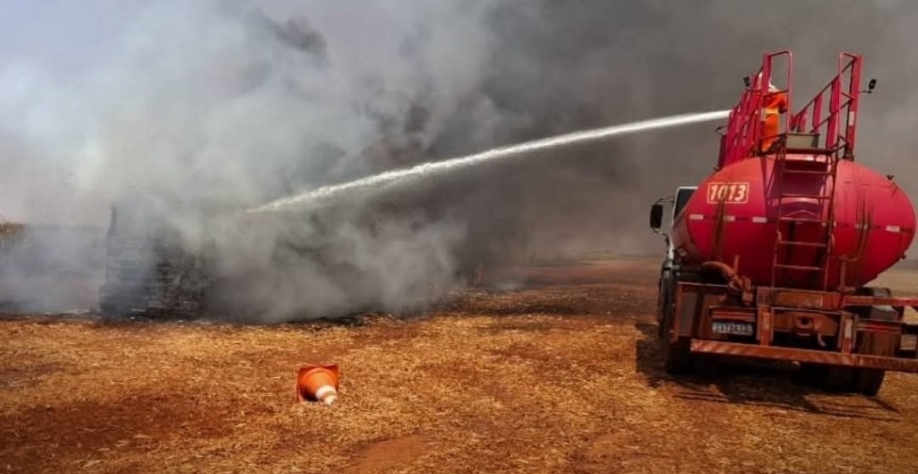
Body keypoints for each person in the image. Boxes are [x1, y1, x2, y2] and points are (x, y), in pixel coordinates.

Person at [755, 72, 789, 153]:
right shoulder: (778, 93)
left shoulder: (756, 93)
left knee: (758, 135)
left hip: (760, 116)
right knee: (770, 138)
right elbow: (784, 108)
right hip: (773, 118)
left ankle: (758, 148)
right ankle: (767, 150)